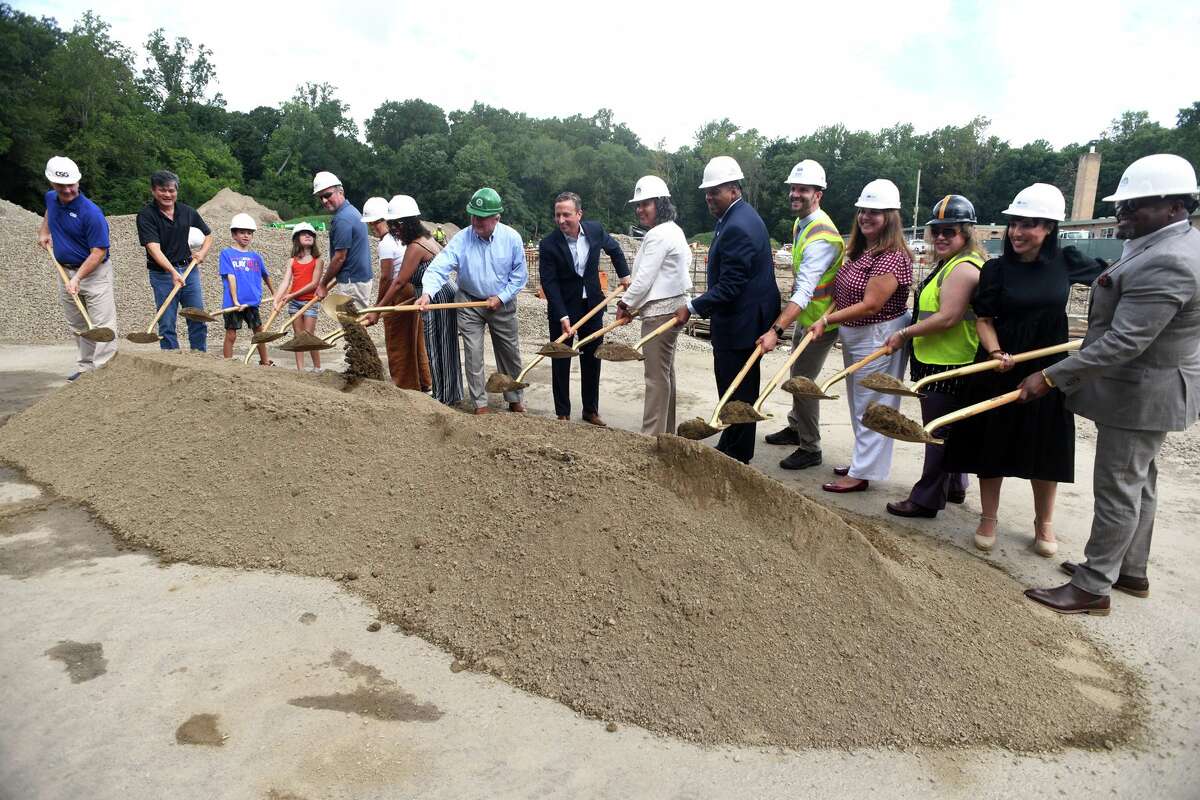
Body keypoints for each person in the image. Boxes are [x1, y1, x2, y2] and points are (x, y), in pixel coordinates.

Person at [1020, 154, 1200, 615]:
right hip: (1148, 388)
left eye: (1134, 205)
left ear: (1175, 206)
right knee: (1140, 481)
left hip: (1142, 392)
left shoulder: (1170, 260)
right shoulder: (1163, 243)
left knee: (1119, 486)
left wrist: (1051, 376)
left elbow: (1125, 342)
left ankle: (1093, 585)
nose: (1122, 212)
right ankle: (1128, 569)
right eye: (1122, 204)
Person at [943, 183, 1105, 554]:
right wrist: (996, 352)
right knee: (992, 441)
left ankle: (1043, 522)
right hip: (1000, 365)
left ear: (1048, 228)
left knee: (1045, 444)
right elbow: (984, 319)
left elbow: (1113, 280)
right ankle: (988, 517)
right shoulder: (996, 269)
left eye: (1028, 224)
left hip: (1050, 369)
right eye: (1014, 223)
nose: (1017, 232)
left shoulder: (1067, 261)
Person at [882, 195, 985, 518]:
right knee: (952, 429)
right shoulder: (951, 263)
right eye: (936, 231)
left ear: (966, 232)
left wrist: (904, 333)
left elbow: (948, 317)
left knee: (937, 433)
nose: (940, 237)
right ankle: (955, 485)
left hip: (949, 362)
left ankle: (926, 499)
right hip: (942, 358)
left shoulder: (963, 268)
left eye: (949, 231)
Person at [808, 179, 913, 493]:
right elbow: (844, 293)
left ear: (890, 217)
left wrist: (826, 320)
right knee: (859, 402)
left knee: (873, 403)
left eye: (874, 212)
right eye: (863, 211)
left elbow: (871, 304)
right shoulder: (862, 250)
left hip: (878, 334)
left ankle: (862, 472)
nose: (866, 217)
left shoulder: (892, 256)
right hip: (856, 334)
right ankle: (862, 462)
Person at [674, 156, 780, 464]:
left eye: (715, 191)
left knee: (739, 391)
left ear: (734, 190)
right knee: (733, 390)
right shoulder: (736, 217)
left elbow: (731, 286)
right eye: (707, 192)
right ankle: (731, 441)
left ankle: (738, 455)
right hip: (741, 319)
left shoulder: (738, 227)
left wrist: (691, 307)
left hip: (741, 323)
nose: (709, 197)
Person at [756, 160, 844, 470]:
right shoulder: (802, 222)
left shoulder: (821, 237)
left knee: (803, 383)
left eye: (803, 190)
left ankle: (810, 446)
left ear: (818, 194)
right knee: (796, 375)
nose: (795, 194)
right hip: (807, 317)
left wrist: (775, 330)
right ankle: (796, 427)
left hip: (820, 322)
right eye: (793, 188)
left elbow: (805, 291)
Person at [416, 188, 528, 414]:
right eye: (473, 215)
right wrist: (427, 293)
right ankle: (480, 403)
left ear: (496, 218)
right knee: (473, 353)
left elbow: (519, 276)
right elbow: (439, 267)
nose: (476, 221)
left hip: (502, 303)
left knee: (509, 353)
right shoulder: (461, 239)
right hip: (469, 302)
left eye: (482, 217)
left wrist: (501, 298)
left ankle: (514, 398)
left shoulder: (512, 239)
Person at [538, 191, 631, 426]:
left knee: (592, 358)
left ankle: (590, 410)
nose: (561, 220)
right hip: (562, 309)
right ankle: (562, 412)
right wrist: (562, 315)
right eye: (557, 215)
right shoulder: (548, 244)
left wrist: (625, 276)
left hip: (592, 305)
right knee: (560, 359)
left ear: (579, 214)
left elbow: (615, 250)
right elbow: (549, 282)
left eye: (566, 215)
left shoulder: (595, 230)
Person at [615, 176, 692, 434]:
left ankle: (651, 436)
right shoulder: (674, 230)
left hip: (660, 312)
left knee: (655, 378)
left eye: (645, 204)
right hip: (672, 308)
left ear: (660, 204)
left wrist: (625, 304)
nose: (640, 210)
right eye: (638, 205)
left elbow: (644, 279)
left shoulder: (658, 235)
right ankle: (665, 433)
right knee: (665, 374)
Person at [38, 156, 118, 380]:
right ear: (52, 183)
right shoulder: (51, 198)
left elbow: (98, 252)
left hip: (95, 273)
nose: (67, 190)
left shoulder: (91, 213)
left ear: (78, 181)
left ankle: (103, 373)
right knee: (78, 323)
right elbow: (49, 210)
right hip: (65, 271)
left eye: (71, 185)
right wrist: (44, 231)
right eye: (61, 186)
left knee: (102, 325)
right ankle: (85, 369)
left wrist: (78, 278)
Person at [383, 197, 463, 405]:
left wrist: (379, 308)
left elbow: (399, 281)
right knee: (445, 346)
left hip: (436, 297)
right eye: (392, 226)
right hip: (440, 293)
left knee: (437, 347)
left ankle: (442, 397)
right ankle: (449, 394)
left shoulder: (416, 246)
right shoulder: (427, 238)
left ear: (406, 224)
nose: (394, 231)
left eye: (396, 226)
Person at [135, 170, 214, 351]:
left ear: (176, 191)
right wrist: (172, 271)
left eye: (171, 190)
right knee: (167, 322)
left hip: (189, 270)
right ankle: (171, 358)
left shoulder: (187, 212)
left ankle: (199, 356)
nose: (167, 194)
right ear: (153, 191)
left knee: (197, 317)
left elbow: (208, 235)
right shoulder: (146, 216)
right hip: (162, 275)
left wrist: (202, 253)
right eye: (162, 190)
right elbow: (153, 248)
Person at [362, 196, 430, 390]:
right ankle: (424, 382)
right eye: (371, 224)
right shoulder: (404, 238)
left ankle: (404, 385)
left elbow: (387, 278)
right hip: (413, 289)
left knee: (397, 340)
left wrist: (377, 308)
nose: (373, 228)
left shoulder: (386, 243)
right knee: (415, 339)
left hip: (399, 291)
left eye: (375, 222)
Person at [311, 171, 372, 308]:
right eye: (321, 197)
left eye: (328, 195)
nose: (324, 200)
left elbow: (339, 258)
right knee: (355, 320)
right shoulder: (352, 211)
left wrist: (323, 285)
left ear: (341, 191)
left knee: (349, 321)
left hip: (352, 282)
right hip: (357, 280)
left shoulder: (343, 219)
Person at [218, 213, 274, 363]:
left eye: (249, 233)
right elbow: (231, 276)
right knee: (231, 334)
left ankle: (265, 362)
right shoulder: (227, 254)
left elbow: (265, 275)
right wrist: (236, 301)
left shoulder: (255, 257)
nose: (246, 236)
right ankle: (227, 363)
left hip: (251, 302)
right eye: (242, 232)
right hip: (233, 304)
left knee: (259, 333)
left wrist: (275, 294)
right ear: (234, 234)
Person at [273, 223, 324, 371]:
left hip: (310, 302)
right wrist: (276, 300)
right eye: (303, 233)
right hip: (294, 303)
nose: (308, 235)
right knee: (298, 336)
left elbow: (314, 284)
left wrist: (292, 295)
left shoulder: (318, 261)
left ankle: (317, 368)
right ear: (296, 239)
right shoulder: (292, 261)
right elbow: (285, 282)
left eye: (310, 234)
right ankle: (300, 370)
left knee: (308, 336)